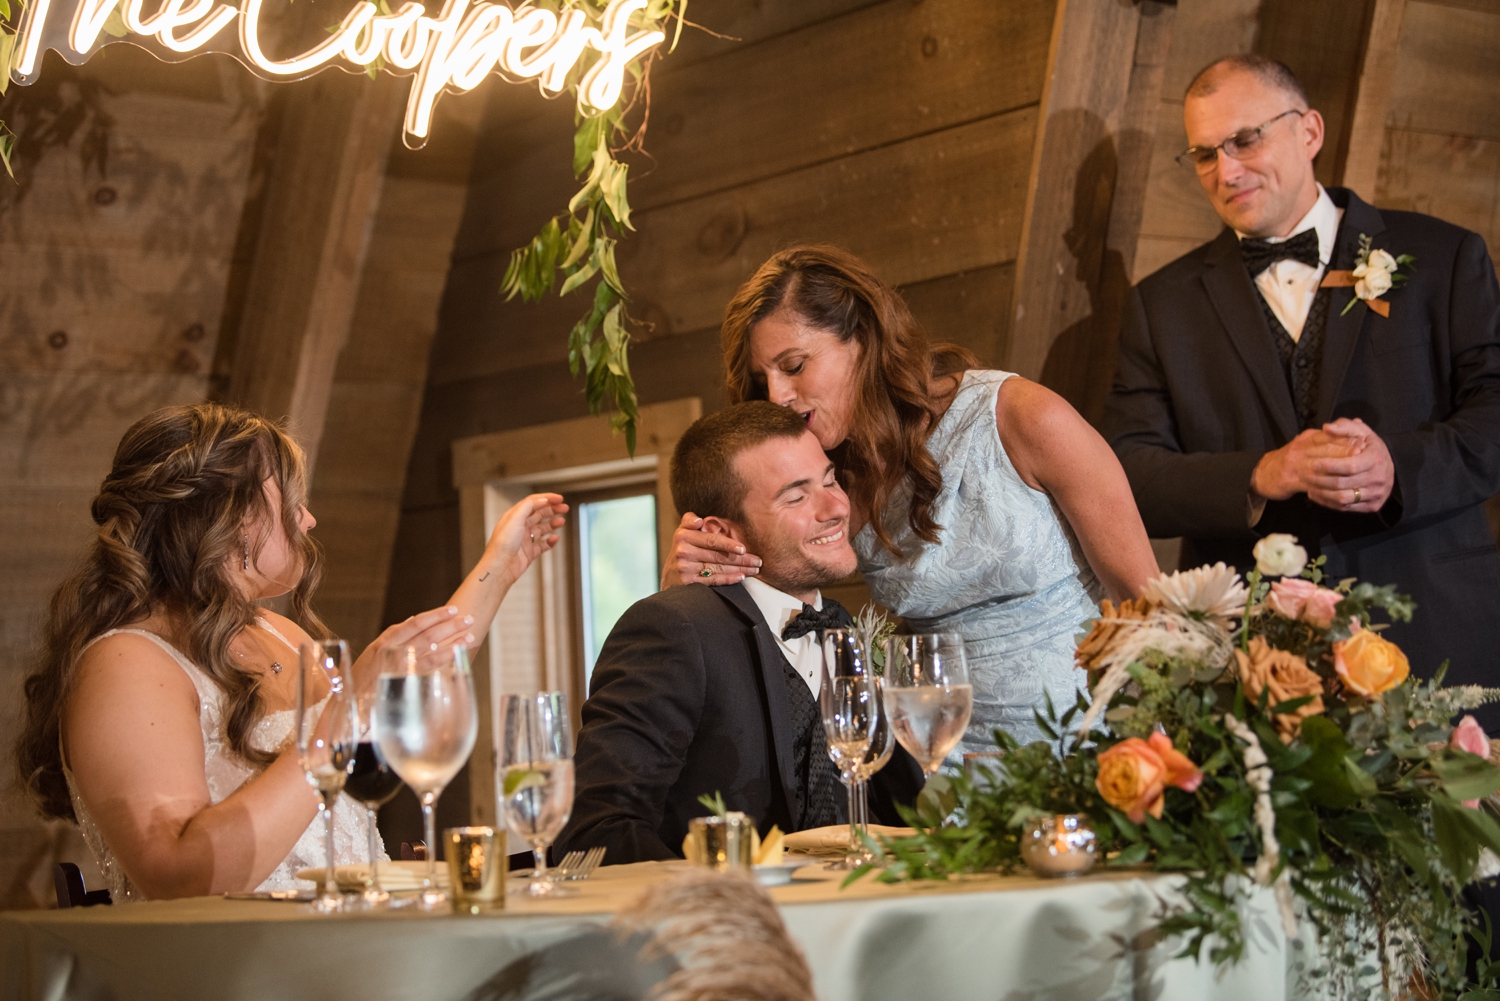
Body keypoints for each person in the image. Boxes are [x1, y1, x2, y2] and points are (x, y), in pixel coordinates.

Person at [14, 403, 567, 901]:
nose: (308, 519)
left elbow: (406, 700)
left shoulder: (281, 634)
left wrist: (499, 568)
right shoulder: (126, 663)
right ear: (224, 515)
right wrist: (347, 705)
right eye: (291, 501)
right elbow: (178, 876)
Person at [1101, 55, 1500, 729]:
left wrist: (1397, 465)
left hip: (1437, 639)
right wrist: (1260, 473)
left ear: (1308, 131)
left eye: (1245, 140)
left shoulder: (1443, 257)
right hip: (1257, 672)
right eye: (1203, 154)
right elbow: (1127, 475)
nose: (1226, 171)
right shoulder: (1159, 305)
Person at [658, 246, 1159, 753]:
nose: (778, 396)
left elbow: (1151, 606)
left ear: (862, 338)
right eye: (764, 379)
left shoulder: (1021, 417)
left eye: (794, 365)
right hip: (938, 763)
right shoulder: (829, 480)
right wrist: (690, 582)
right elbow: (762, 610)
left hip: (1094, 744)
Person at [556, 402, 925, 864]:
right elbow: (594, 832)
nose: (835, 508)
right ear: (721, 532)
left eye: (829, 480)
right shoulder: (673, 629)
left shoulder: (842, 627)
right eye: (796, 497)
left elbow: (895, 813)